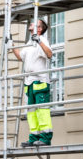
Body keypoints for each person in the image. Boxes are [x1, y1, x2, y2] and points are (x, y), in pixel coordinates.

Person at [13, 19, 53, 147]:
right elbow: (21, 57)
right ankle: (34, 137)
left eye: (34, 23)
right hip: (29, 82)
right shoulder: (30, 43)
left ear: (39, 29)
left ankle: (45, 138)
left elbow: (49, 54)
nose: (31, 24)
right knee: (31, 112)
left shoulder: (42, 40)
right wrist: (11, 45)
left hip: (40, 81)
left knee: (42, 111)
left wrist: (39, 41)